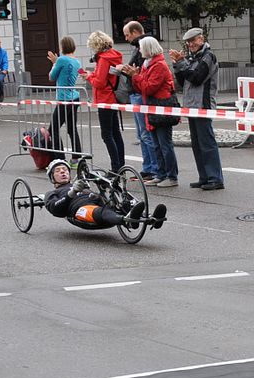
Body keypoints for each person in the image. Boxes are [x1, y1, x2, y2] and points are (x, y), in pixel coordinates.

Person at [169, 28, 224, 191]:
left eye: (194, 41)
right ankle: (204, 177)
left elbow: (196, 77)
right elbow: (183, 80)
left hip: (203, 105)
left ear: (202, 39)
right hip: (192, 106)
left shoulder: (208, 56)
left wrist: (182, 63)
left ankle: (215, 178)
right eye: (188, 42)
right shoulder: (193, 58)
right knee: (197, 144)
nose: (191, 44)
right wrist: (177, 65)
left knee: (206, 143)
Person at [44, 159, 167, 230]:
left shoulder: (81, 182)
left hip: (98, 202)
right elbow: (55, 209)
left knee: (122, 203)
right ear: (52, 177)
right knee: (100, 212)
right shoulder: (52, 193)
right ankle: (127, 221)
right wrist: (72, 193)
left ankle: (151, 218)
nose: (62, 172)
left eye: (65, 170)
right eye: (58, 171)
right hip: (80, 210)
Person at [124, 37, 179, 187]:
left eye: (141, 47)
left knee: (164, 145)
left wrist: (136, 76)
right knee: (156, 144)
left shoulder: (159, 65)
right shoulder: (148, 65)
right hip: (152, 108)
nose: (139, 50)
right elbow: (141, 87)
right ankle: (160, 174)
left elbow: (149, 88)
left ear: (148, 49)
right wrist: (135, 76)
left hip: (161, 109)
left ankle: (171, 176)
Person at [82, 31, 125, 174]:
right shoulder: (114, 55)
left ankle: (115, 167)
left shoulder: (104, 59)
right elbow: (106, 77)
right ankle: (121, 166)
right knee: (115, 133)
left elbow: (100, 82)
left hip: (104, 98)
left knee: (107, 134)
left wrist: (89, 78)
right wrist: (92, 75)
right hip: (113, 96)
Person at [122, 21, 158, 181]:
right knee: (142, 134)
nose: (126, 38)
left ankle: (153, 168)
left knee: (145, 134)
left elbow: (140, 73)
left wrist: (129, 72)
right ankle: (148, 167)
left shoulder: (143, 47)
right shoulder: (138, 47)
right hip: (136, 93)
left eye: (127, 35)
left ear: (136, 32)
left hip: (139, 94)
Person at [46, 36, 82, 166]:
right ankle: (76, 158)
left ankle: (60, 158)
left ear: (62, 47)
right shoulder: (77, 61)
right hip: (74, 97)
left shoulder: (61, 60)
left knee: (53, 128)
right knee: (72, 129)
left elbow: (51, 76)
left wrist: (55, 63)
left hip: (63, 99)